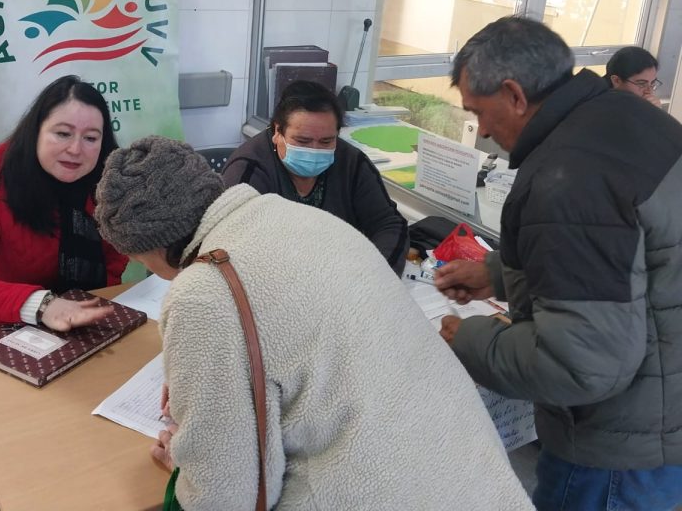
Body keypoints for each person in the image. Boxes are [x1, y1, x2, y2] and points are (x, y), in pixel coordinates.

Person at [94, 136, 533, 511]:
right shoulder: (307, 220)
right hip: (474, 478)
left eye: (137, 257)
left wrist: (186, 460)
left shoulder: (204, 289)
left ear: (148, 245)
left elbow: (227, 495)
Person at [432, 16, 682, 511]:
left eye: (478, 112)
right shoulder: (630, 122)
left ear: (514, 95)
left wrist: (473, 339)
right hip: (664, 417)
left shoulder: (565, 177)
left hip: (613, 452)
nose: (480, 130)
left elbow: (583, 365)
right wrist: (500, 272)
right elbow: (625, 257)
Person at [0, 75, 128, 330]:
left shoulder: (104, 180)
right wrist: (42, 305)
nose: (76, 149)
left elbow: (113, 256)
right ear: (36, 132)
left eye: (90, 138)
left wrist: (91, 305)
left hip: (82, 318)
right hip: (5, 320)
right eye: (63, 133)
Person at [222, 80, 409, 275]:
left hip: (343, 276)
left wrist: (375, 277)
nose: (314, 150)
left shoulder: (351, 163)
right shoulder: (247, 172)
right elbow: (234, 248)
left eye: (326, 141)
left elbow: (389, 224)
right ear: (278, 132)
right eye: (302, 141)